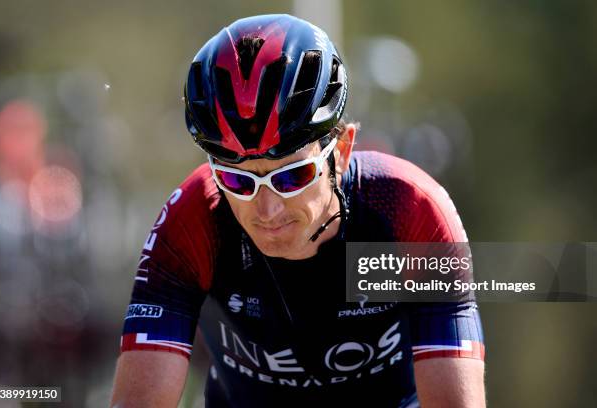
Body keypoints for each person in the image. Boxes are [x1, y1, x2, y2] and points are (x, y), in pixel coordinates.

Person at [110, 14, 485, 408]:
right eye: (239, 181)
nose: (267, 209)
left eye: (292, 177)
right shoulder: (194, 219)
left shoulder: (406, 212)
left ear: (340, 151)